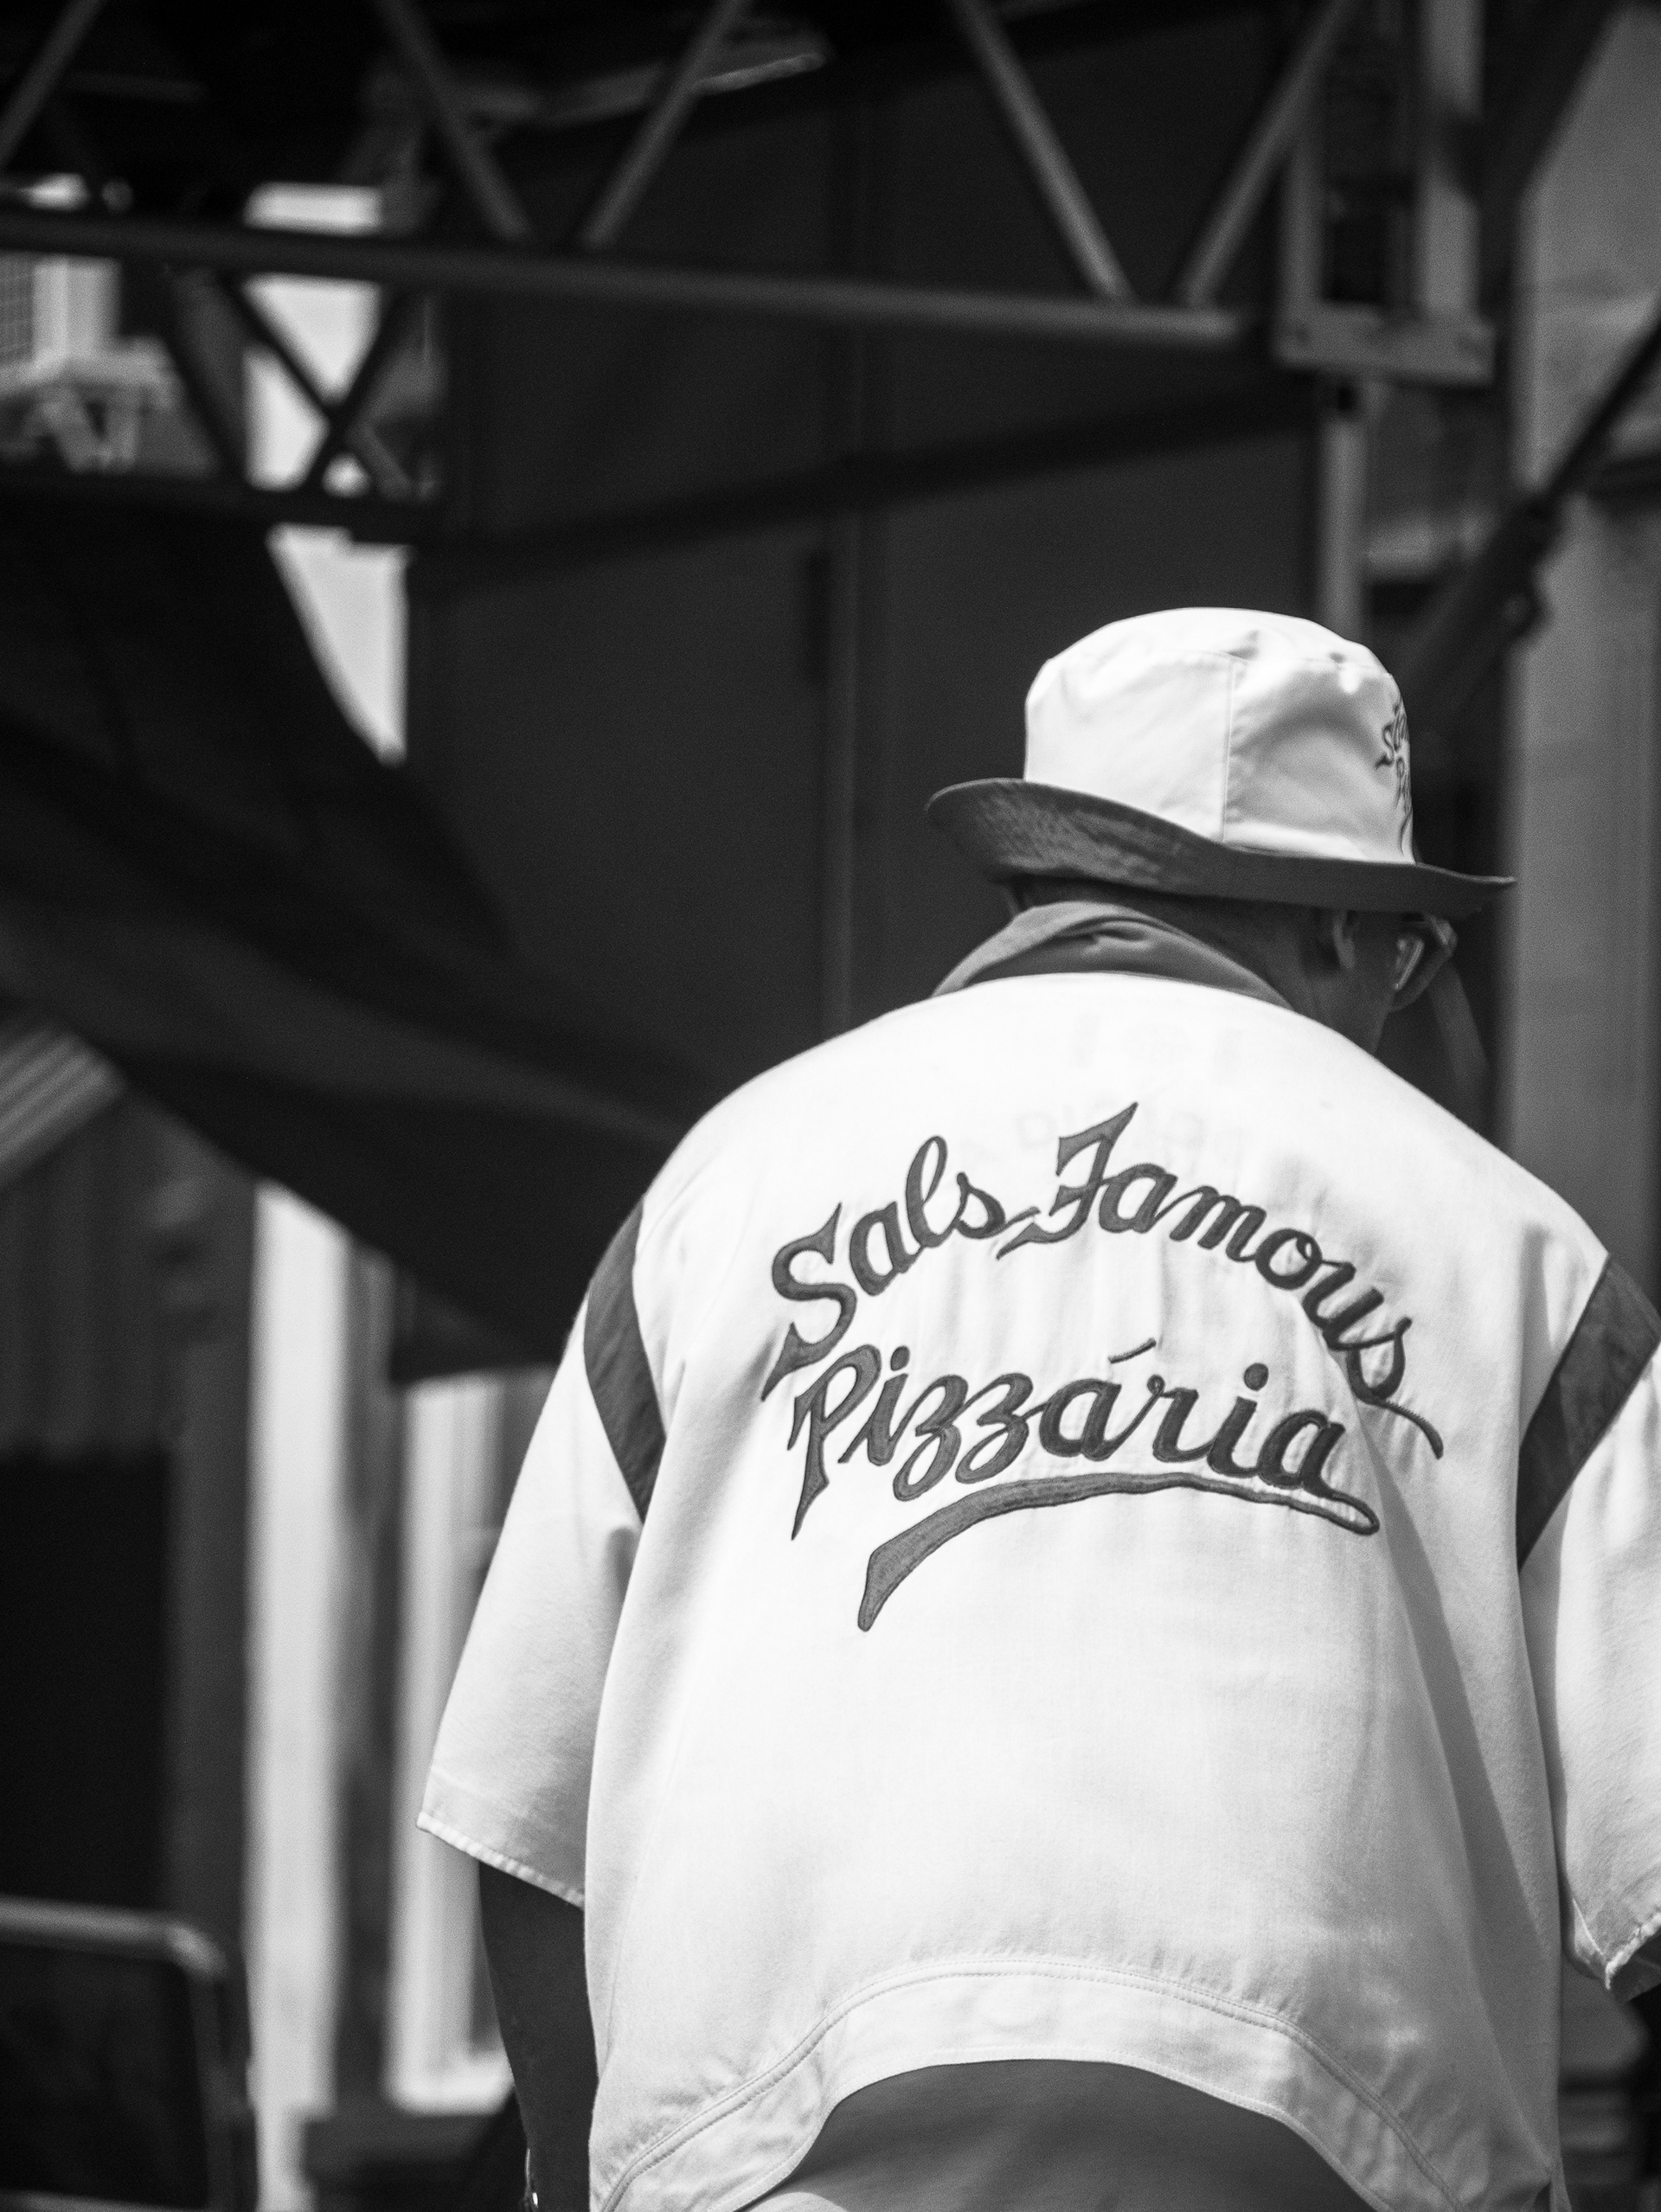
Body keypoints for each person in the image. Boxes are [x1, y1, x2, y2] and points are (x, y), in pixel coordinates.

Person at [420, 608, 1661, 2212]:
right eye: (1410, 954)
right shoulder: (1511, 1249)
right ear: (1342, 935)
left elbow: (529, 1820)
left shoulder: (719, 1193)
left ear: (1041, 883)